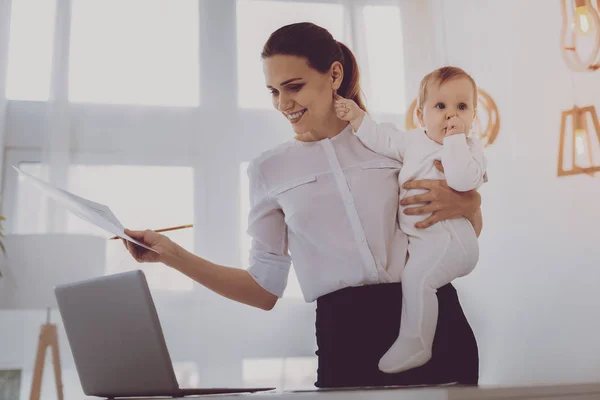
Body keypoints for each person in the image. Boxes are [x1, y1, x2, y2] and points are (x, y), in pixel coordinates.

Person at [122, 22, 483, 388]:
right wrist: (171, 255)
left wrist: (469, 203)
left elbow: (461, 231)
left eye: (294, 87)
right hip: (346, 341)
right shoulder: (268, 170)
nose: (283, 103)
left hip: (435, 326)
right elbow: (264, 290)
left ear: (334, 75)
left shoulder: (390, 143)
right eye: (274, 91)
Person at [332, 66, 487, 374]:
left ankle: (416, 342)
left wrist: (455, 142)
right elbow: (382, 139)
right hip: (425, 241)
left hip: (452, 240)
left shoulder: (469, 149)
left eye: (461, 107)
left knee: (418, 279)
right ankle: (415, 338)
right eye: (440, 106)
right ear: (420, 116)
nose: (450, 116)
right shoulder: (413, 142)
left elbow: (462, 181)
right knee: (413, 276)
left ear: (473, 116)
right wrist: (356, 117)